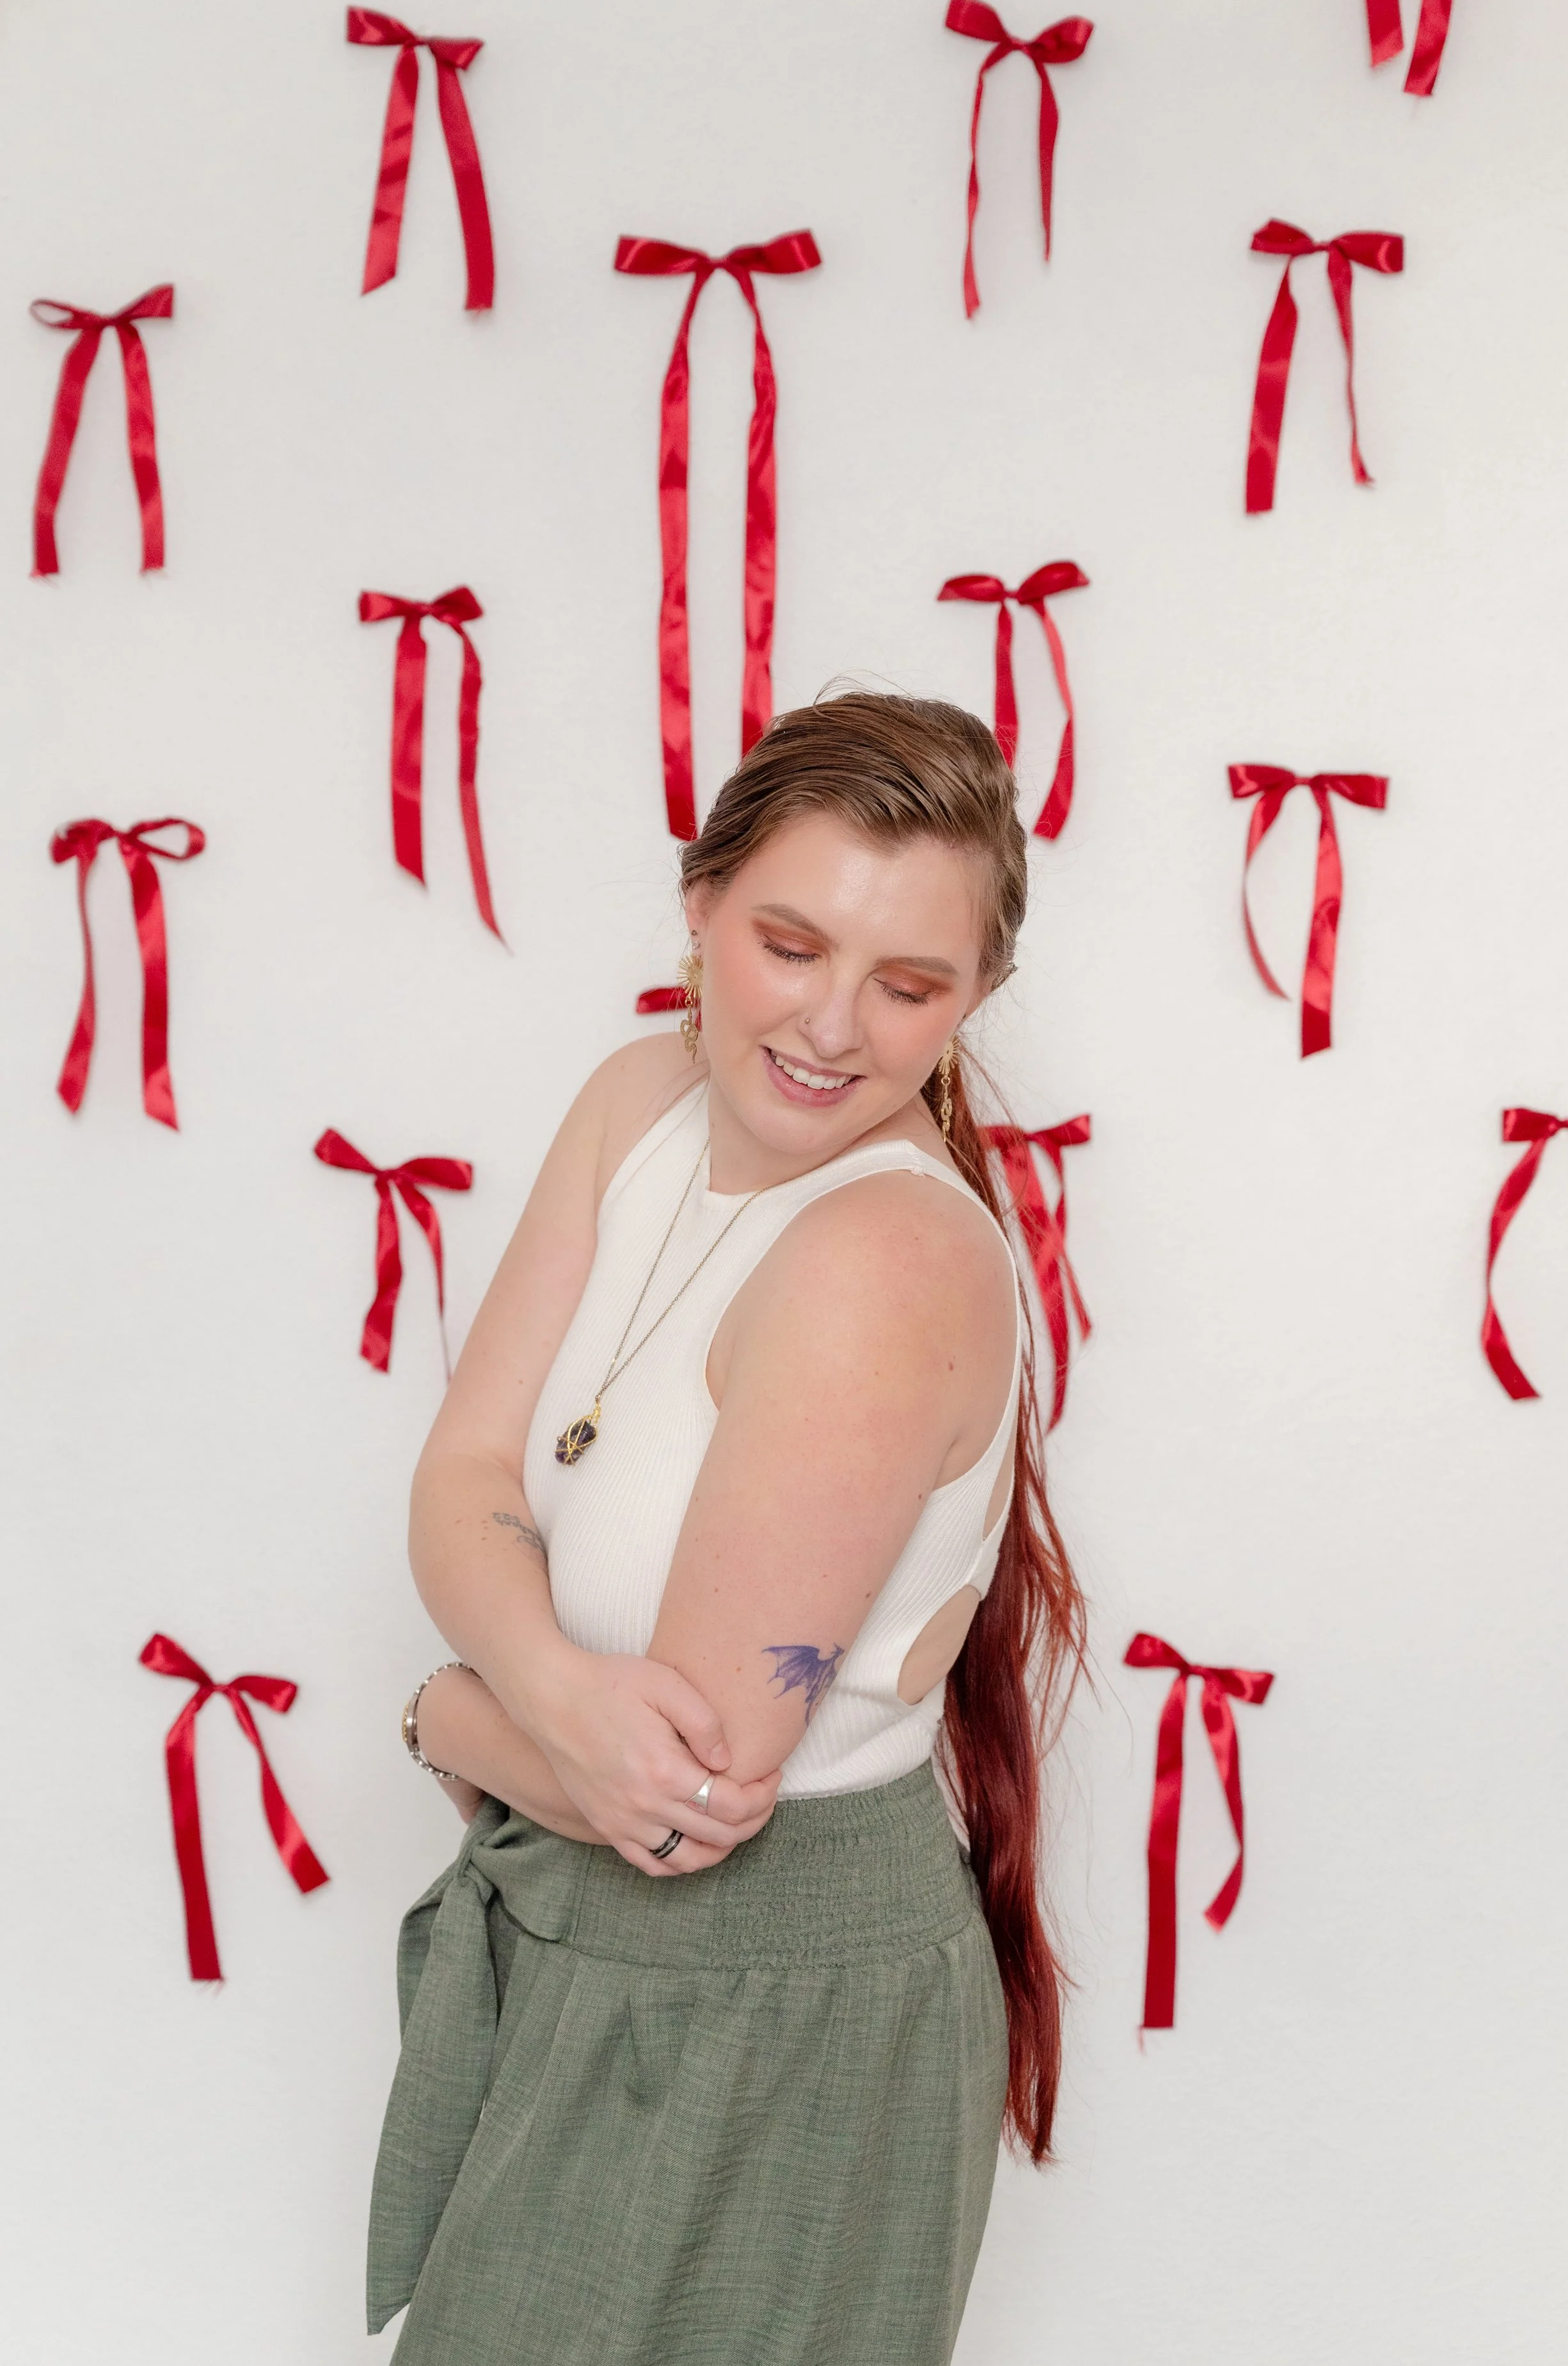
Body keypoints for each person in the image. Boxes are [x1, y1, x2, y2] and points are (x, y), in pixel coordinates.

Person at [367, 692, 1086, 2366]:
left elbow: (686, 1804)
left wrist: (443, 1708)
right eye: (786, 943)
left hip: (777, 1996)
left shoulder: (879, 1265)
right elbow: (459, 1477)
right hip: (593, 1952)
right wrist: (550, 1685)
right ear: (697, 904)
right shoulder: (638, 1105)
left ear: (973, 998)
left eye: (907, 985)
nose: (830, 1027)